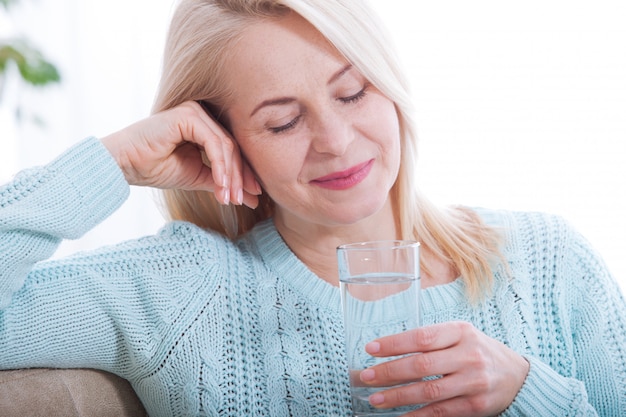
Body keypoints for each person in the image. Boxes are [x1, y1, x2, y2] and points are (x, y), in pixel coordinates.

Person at [1, 0, 625, 415]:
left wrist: (526, 392)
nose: (337, 141)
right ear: (223, 139)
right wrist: (109, 164)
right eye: (283, 122)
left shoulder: (547, 263)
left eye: (353, 92)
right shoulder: (183, 289)